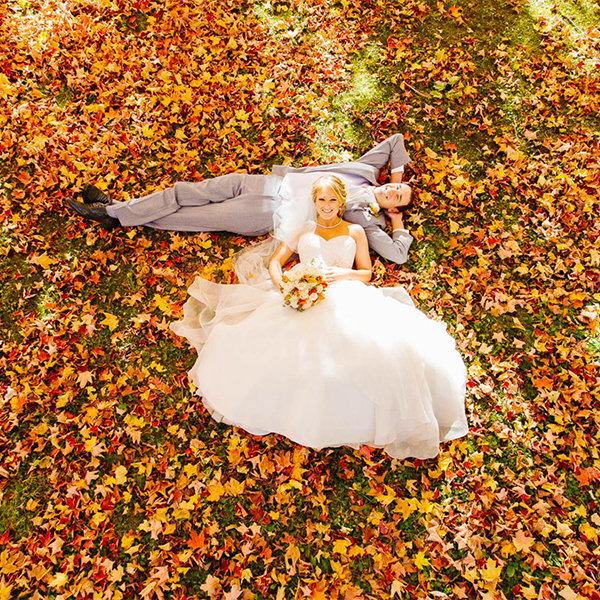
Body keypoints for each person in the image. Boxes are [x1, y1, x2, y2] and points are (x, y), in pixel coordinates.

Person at [170, 175, 468, 460]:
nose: (327, 205)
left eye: (333, 199)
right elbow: (276, 262)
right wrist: (285, 285)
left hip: (347, 294)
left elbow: (366, 273)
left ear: (341, 202)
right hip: (304, 292)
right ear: (315, 201)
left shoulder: (355, 231)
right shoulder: (303, 231)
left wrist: (343, 274)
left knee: (374, 352)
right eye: (322, 199)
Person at [66, 134, 414, 264]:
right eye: (396, 187)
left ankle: (113, 213)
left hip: (267, 212)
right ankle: (117, 211)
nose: (392, 191)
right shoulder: (368, 171)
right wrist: (396, 181)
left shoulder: (368, 220)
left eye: (396, 196)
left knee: (191, 216)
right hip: (264, 183)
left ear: (391, 206)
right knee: (184, 191)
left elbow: (397, 256)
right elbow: (396, 141)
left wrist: (397, 221)